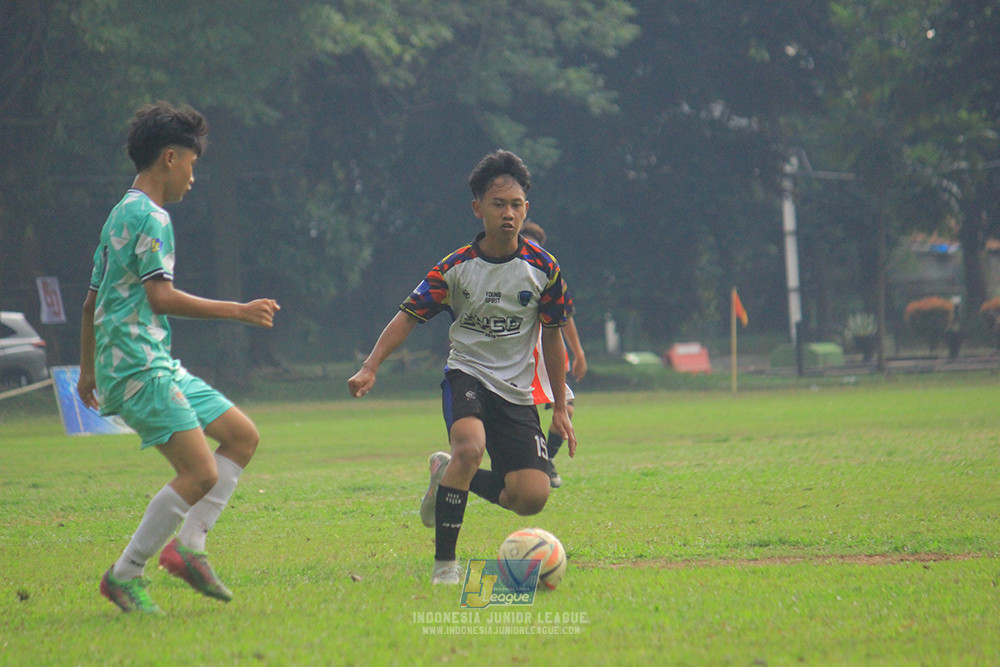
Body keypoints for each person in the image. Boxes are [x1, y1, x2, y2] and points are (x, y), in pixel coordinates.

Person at [77, 101, 281, 614]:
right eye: (192, 162)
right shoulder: (151, 216)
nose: (194, 176)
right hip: (138, 369)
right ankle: (125, 573)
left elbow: (90, 302)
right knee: (201, 474)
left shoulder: (120, 213)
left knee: (241, 436)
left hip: (151, 363)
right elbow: (160, 298)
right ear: (170, 157)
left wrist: (85, 370)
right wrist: (238, 310)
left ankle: (188, 547)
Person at [347, 150, 577, 585]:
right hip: (467, 374)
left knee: (530, 497)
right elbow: (408, 315)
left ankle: (447, 474)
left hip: (517, 390)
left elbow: (552, 334)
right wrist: (371, 366)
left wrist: (560, 406)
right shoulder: (455, 269)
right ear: (478, 209)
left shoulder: (544, 269)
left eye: (516, 205)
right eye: (498, 204)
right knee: (469, 449)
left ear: (526, 208)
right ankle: (445, 566)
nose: (508, 214)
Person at [520, 220, 587, 488]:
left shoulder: (550, 273)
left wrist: (578, 352)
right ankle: (526, 464)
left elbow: (565, 316)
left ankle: (545, 460)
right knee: (522, 413)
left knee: (566, 409)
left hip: (546, 348)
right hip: (518, 350)